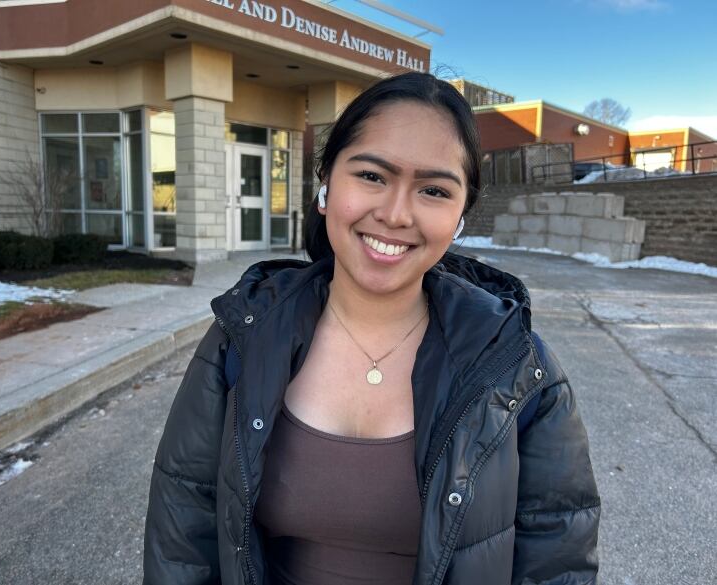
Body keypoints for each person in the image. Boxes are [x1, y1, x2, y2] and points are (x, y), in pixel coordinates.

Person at [143, 72, 600, 585]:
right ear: (326, 185)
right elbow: (183, 536)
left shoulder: (516, 368)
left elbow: (556, 563)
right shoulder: (243, 338)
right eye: (371, 176)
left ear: (460, 217)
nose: (396, 214)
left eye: (432, 189)